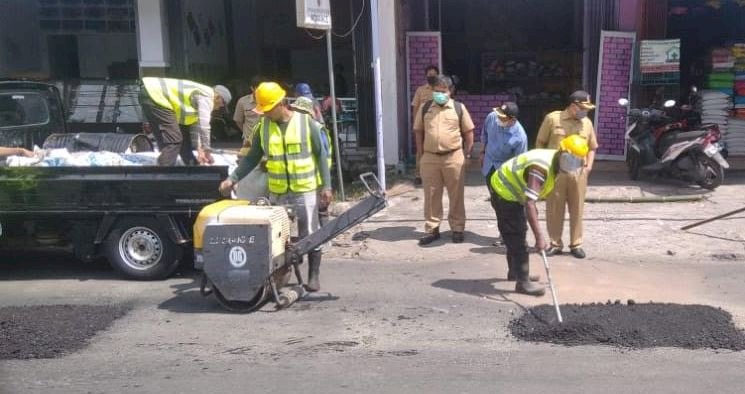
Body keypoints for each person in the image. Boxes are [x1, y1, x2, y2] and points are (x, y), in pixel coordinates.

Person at [218, 82, 333, 292]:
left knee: (311, 233)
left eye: (268, 109)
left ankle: (313, 276)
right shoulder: (263, 127)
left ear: (281, 104)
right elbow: (252, 157)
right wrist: (233, 178)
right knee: (281, 235)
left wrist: (326, 186)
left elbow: (321, 156)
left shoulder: (306, 124)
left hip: (304, 189)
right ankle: (284, 273)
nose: (265, 113)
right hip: (278, 191)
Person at [489, 135, 589, 296]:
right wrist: (540, 237)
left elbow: (531, 201)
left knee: (514, 234)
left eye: (577, 162)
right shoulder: (540, 168)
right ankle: (523, 283)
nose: (573, 165)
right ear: (562, 152)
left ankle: (515, 272)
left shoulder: (555, 161)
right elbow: (530, 203)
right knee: (517, 235)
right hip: (504, 192)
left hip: (513, 191)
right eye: (571, 159)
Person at [535, 90, 598, 259]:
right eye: (583, 108)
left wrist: (588, 167)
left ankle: (576, 244)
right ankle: (555, 243)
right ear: (573, 106)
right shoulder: (553, 119)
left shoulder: (587, 123)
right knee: (554, 209)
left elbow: (592, 147)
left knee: (577, 209)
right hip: (556, 171)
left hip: (578, 171)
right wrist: (541, 166)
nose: (586, 112)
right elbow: (540, 142)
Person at [413, 75, 475, 246]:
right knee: (431, 195)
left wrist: (467, 154)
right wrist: (421, 154)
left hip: (453, 157)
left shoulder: (458, 108)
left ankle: (457, 228)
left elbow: (469, 132)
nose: (439, 94)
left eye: (443, 91)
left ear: (450, 91)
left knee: (456, 195)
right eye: (436, 91)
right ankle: (432, 229)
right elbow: (418, 131)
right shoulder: (425, 108)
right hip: (430, 157)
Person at [140, 77, 232, 166]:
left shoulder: (199, 100)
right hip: (155, 95)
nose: (220, 107)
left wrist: (200, 150)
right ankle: (163, 173)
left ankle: (190, 164)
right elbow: (204, 127)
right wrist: (206, 149)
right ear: (218, 97)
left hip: (149, 95)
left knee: (180, 137)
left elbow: (197, 129)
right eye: (223, 105)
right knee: (175, 140)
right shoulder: (207, 97)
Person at [479, 102, 528, 244]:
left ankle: (512, 234)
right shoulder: (492, 117)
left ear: (512, 120)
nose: (498, 119)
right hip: (489, 165)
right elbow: (485, 135)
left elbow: (520, 162)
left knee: (508, 205)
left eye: (503, 118)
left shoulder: (520, 136)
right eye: (499, 115)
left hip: (506, 171)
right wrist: (482, 152)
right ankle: (503, 232)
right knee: (495, 203)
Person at [291, 96, 334, 226]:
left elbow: (322, 154)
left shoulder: (314, 128)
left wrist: (325, 185)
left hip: (316, 179)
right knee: (314, 213)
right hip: (310, 180)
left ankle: (324, 240)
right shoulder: (302, 129)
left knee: (319, 211)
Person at [411, 65, 440, 185]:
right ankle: (419, 175)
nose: (431, 77)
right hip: (422, 126)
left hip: (436, 125)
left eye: (434, 75)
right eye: (429, 75)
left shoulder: (440, 90)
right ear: (426, 76)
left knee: (435, 150)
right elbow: (415, 108)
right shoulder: (420, 90)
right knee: (420, 150)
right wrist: (415, 124)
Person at [233, 76, 263, 158]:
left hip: (267, 140)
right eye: (258, 88)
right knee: (247, 163)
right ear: (252, 88)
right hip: (249, 142)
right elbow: (238, 121)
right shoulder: (242, 102)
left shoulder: (270, 101)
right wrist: (246, 133)